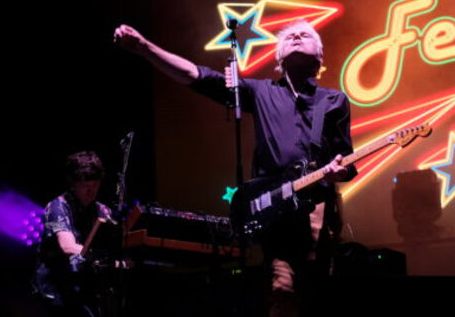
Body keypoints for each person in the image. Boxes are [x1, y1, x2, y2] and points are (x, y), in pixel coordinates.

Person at [113, 19, 356, 316]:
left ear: (319, 55)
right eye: (289, 35)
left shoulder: (333, 100)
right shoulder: (260, 91)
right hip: (276, 210)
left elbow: (346, 158)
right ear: (278, 56)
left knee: (317, 292)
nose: (295, 37)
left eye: (304, 35)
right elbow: (197, 76)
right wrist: (145, 49)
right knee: (281, 291)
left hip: (316, 207)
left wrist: (339, 171)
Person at [32, 151, 115, 316]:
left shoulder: (103, 211)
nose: (91, 191)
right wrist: (100, 256)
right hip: (56, 291)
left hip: (85, 290)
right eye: (85, 186)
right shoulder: (55, 207)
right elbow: (67, 246)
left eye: (95, 185)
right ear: (73, 183)